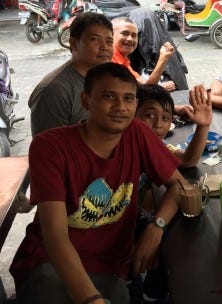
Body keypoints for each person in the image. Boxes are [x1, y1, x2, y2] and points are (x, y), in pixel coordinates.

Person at [10, 63, 184, 304]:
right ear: (86, 100)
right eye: (108, 96)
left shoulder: (136, 132)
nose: (120, 107)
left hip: (111, 267)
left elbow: (180, 186)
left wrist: (156, 228)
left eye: (128, 98)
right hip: (49, 262)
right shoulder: (50, 148)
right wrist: (91, 299)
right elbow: (55, 236)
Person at [28, 12, 114, 137]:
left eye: (109, 41)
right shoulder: (54, 90)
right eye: (94, 39)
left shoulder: (106, 79)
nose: (104, 47)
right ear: (73, 43)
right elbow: (47, 149)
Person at [135, 83, 211, 212]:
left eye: (165, 118)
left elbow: (188, 160)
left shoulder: (157, 147)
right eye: (149, 115)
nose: (158, 124)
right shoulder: (125, 145)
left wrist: (203, 126)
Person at [111, 16, 176, 91]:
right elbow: (147, 91)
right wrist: (161, 88)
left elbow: (146, 86)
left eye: (134, 35)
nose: (130, 39)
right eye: (125, 33)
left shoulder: (123, 60)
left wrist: (164, 57)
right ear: (110, 35)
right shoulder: (109, 59)